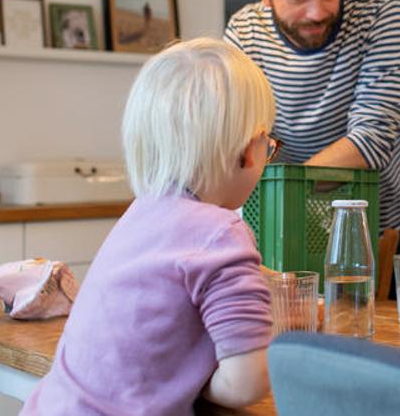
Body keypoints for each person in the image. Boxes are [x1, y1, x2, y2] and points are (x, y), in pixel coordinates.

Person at [21, 39, 278, 414]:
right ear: (251, 149)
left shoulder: (140, 215)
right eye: (270, 147)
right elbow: (247, 383)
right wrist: (192, 380)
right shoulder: (222, 232)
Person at [225, 0, 400, 254]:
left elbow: (370, 141)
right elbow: (243, 138)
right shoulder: (245, 32)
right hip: (293, 218)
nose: (317, 12)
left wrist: (284, 197)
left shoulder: (381, 14)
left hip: (392, 218)